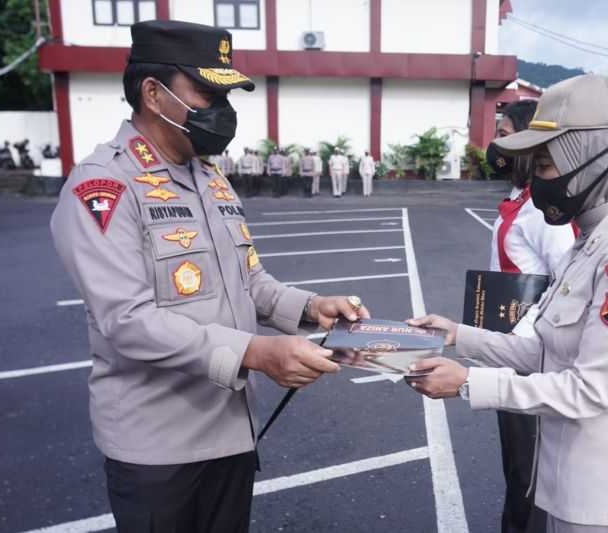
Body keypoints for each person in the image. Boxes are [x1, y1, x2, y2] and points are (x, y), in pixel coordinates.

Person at [49, 20, 371, 532]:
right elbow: (128, 321)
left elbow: (251, 282)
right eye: (207, 92)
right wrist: (256, 353)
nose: (222, 110)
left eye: (226, 94)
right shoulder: (104, 186)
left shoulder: (210, 178)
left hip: (231, 431)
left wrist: (312, 307)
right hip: (158, 450)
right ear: (153, 93)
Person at [406, 74, 608, 533]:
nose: (535, 180)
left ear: (591, 162)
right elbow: (546, 352)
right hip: (570, 488)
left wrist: (468, 382)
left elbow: (590, 389)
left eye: (546, 166)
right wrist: (456, 335)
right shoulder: (590, 243)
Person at [486, 98, 576, 533]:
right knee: (517, 469)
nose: (495, 143)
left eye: (504, 135)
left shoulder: (542, 212)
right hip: (509, 349)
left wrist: (515, 341)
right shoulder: (518, 200)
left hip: (528, 357)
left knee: (529, 473)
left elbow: (567, 282)